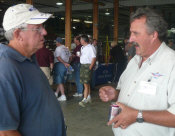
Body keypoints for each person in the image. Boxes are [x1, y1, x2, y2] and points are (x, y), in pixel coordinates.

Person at [99, 7, 175, 136]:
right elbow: (129, 91)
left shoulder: (171, 64)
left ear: (153, 35)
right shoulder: (135, 60)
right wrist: (116, 93)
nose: (130, 39)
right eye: (130, 33)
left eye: (136, 33)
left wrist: (138, 115)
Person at [0, 3, 66, 136]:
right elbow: (6, 132)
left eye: (43, 27)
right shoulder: (6, 69)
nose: (45, 32)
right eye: (37, 28)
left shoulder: (29, 59)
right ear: (18, 34)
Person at [79, 34, 96, 107]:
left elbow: (94, 58)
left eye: (80, 39)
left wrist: (90, 67)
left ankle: (84, 99)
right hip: (83, 65)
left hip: (87, 66)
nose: (80, 41)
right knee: (86, 82)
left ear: (83, 40)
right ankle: (88, 97)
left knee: (85, 83)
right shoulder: (82, 47)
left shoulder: (91, 47)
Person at [53, 37, 71, 101]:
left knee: (59, 80)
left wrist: (63, 63)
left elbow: (58, 57)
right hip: (65, 65)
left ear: (58, 42)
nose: (55, 43)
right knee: (61, 79)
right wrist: (67, 63)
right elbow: (70, 57)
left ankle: (63, 95)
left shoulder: (58, 48)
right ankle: (56, 93)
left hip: (60, 64)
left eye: (56, 42)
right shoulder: (66, 48)